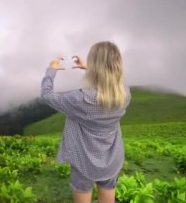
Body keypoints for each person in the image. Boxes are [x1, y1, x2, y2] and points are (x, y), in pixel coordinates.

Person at [40, 41, 131, 203]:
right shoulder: (124, 93)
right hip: (111, 158)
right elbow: (108, 79)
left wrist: (51, 70)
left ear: (95, 65)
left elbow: (47, 95)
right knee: (108, 196)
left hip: (83, 161)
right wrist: (89, 67)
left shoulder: (80, 100)